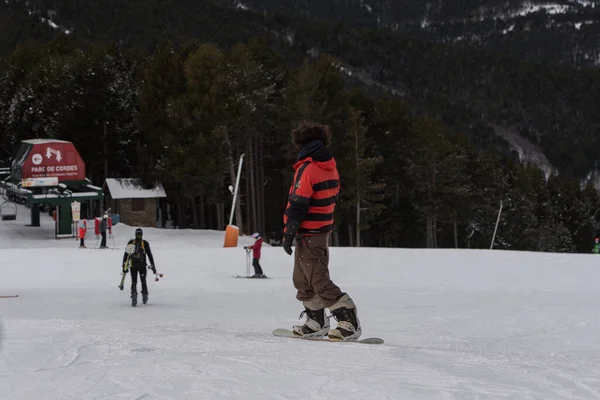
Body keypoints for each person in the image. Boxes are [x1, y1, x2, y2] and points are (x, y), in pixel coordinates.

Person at [281, 120, 361, 341]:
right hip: (318, 230)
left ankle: (349, 320)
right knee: (302, 279)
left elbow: (298, 202)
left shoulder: (308, 168)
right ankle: (316, 322)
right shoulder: (329, 166)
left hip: (310, 232)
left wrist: (290, 229)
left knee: (318, 280)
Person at [122, 228, 156, 306]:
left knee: (134, 281)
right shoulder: (145, 243)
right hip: (142, 266)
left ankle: (134, 294)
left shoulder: (131, 242)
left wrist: (124, 266)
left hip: (133, 266)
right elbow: (149, 255)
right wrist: (153, 266)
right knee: (143, 280)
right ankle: (144, 294)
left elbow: (126, 255)